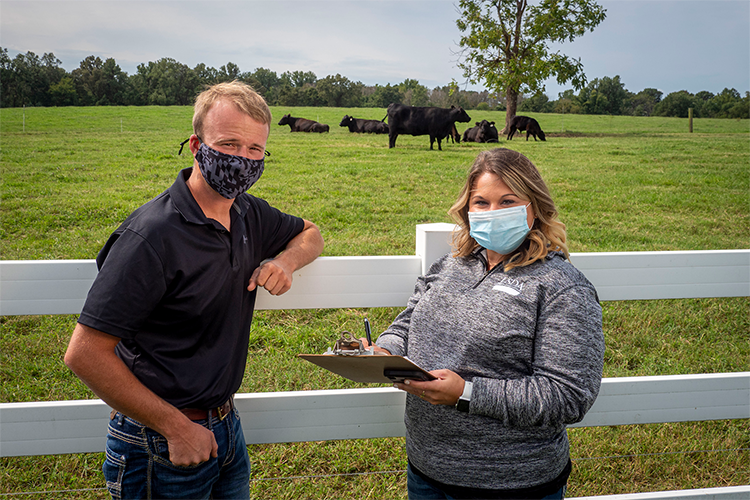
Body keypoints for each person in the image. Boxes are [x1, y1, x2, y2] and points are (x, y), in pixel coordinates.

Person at [64, 80, 324, 499]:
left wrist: (284, 261)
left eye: (255, 149)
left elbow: (310, 232)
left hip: (226, 428)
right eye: (229, 143)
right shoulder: (151, 235)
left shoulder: (247, 212)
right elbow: (84, 353)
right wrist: (176, 428)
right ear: (195, 145)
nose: (243, 159)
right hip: (160, 442)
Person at [367, 148, 605, 499]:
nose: (493, 213)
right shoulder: (452, 264)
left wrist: (466, 393)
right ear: (467, 209)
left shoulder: (562, 286)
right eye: (481, 202)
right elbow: (409, 322)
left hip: (510, 485)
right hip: (425, 471)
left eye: (508, 201)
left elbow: (567, 395)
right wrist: (385, 349)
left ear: (534, 208)